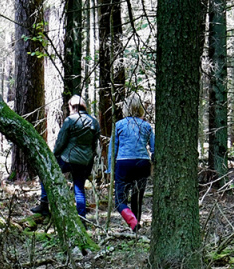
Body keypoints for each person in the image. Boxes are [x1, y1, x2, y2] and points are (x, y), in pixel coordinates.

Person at [34, 95, 99, 219]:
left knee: (45, 170)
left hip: (68, 159)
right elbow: (94, 144)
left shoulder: (70, 120)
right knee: (79, 189)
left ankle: (44, 204)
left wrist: (54, 155)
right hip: (84, 161)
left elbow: (61, 141)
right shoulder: (94, 122)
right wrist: (89, 161)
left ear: (71, 106)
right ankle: (82, 219)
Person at [108, 94, 154, 232]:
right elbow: (154, 148)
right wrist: (153, 163)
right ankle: (136, 225)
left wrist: (110, 169)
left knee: (119, 201)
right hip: (142, 163)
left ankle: (132, 222)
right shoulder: (146, 126)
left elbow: (112, 149)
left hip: (124, 164)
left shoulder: (119, 125)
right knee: (137, 197)